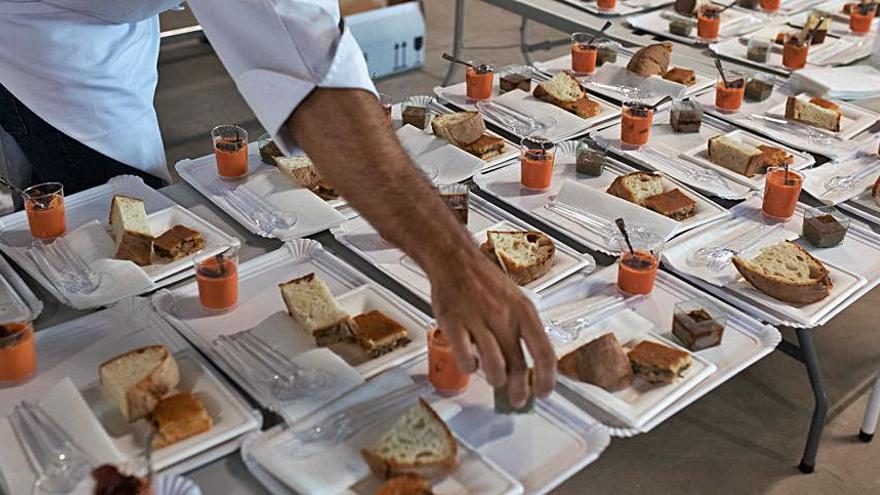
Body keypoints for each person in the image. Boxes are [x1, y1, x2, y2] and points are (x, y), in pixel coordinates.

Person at [0, 0, 556, 407]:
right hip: (44, 33)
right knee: (114, 257)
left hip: (111, 19)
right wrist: (454, 261)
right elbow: (314, 84)